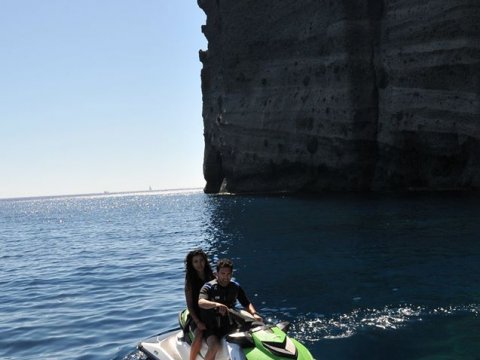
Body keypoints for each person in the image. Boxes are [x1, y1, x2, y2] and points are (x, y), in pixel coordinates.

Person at [198, 258, 262, 360]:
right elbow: (201, 302)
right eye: (223, 273)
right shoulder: (208, 287)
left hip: (229, 323)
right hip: (212, 327)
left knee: (253, 330)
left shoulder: (235, 286)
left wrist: (254, 313)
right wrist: (216, 305)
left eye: (228, 274)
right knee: (214, 346)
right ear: (216, 273)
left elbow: (246, 303)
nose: (226, 277)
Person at [184, 249, 215, 360]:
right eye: (195, 261)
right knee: (199, 334)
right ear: (191, 264)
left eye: (201, 260)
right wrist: (197, 322)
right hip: (196, 315)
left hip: (210, 313)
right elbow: (190, 305)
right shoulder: (190, 281)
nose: (199, 264)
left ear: (205, 261)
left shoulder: (212, 276)